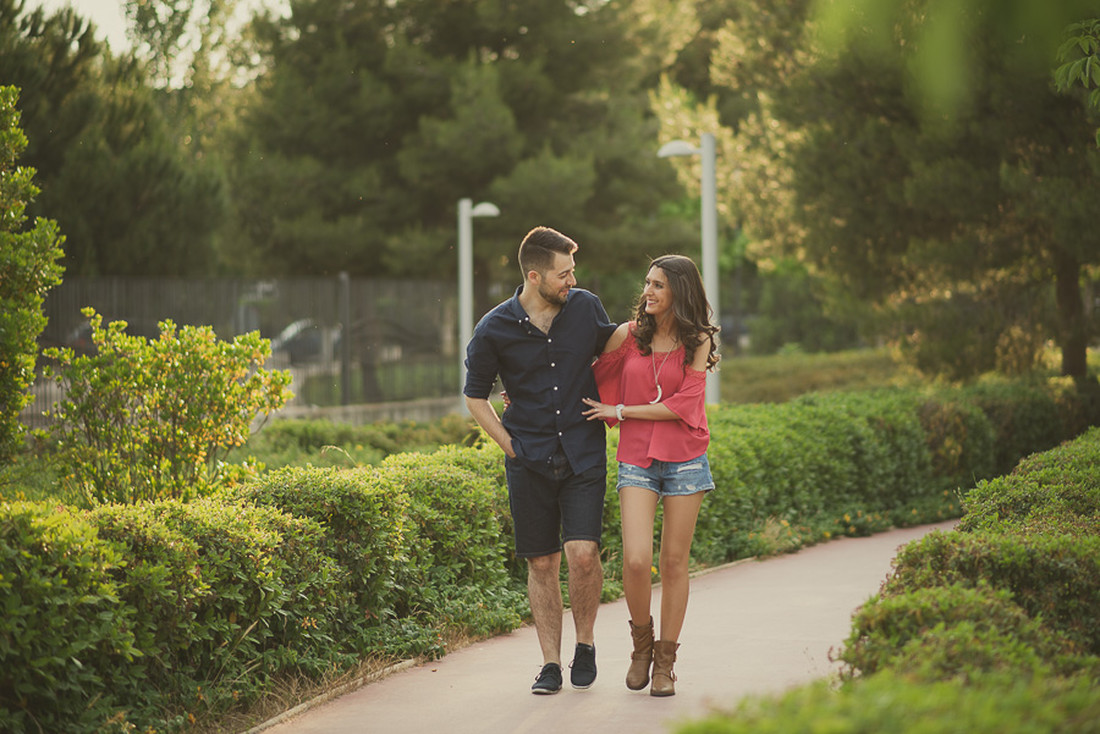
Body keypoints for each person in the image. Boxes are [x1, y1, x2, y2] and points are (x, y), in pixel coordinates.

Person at [464, 226, 617, 695]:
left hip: (582, 452)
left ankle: (585, 644)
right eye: (563, 273)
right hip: (528, 460)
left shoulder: (586, 307)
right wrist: (511, 445)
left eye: (573, 271)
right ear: (535, 275)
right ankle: (550, 663)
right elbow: (475, 397)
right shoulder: (494, 328)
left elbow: (617, 352)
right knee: (542, 563)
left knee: (582, 553)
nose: (572, 280)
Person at [581, 254, 719, 697]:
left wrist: (621, 411)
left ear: (680, 290)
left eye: (658, 285)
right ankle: (641, 646)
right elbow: (588, 376)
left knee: (676, 564)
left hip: (685, 459)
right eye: (647, 284)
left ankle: (665, 661)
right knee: (638, 560)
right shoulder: (629, 336)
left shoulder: (697, 340)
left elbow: (683, 405)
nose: (648, 292)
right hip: (637, 458)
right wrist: (525, 396)